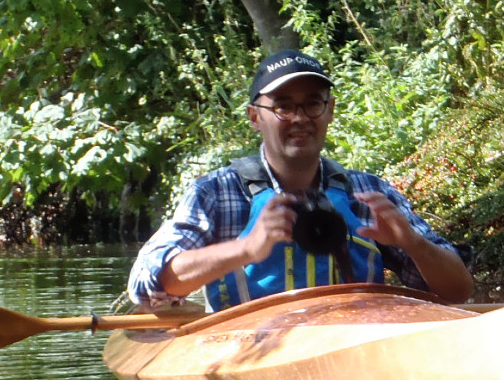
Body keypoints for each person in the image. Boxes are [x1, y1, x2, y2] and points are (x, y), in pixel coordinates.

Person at [127, 49, 474, 310]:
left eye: (312, 104)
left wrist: (413, 243)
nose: (299, 118)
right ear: (254, 117)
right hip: (249, 349)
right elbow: (147, 283)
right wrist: (245, 249)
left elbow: (458, 292)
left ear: (330, 111)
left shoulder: (370, 192)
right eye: (282, 106)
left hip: (357, 346)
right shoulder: (214, 193)